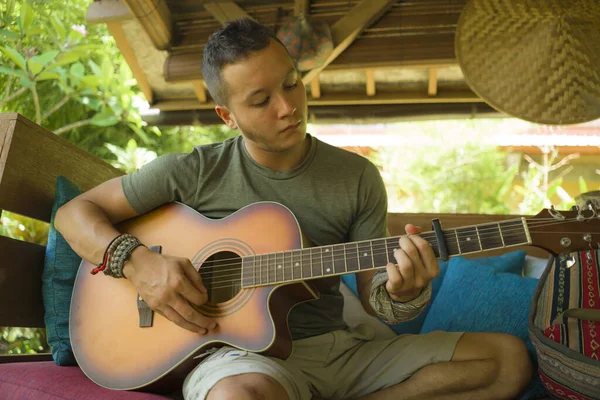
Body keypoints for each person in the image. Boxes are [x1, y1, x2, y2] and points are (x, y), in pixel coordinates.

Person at [55, 18, 532, 400]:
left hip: (340, 352)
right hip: (241, 360)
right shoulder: (192, 171)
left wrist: (405, 292)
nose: (288, 107)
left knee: (507, 360)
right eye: (261, 100)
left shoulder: (356, 176)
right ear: (228, 115)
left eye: (292, 84)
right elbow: (74, 214)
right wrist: (139, 264)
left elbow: (377, 299)